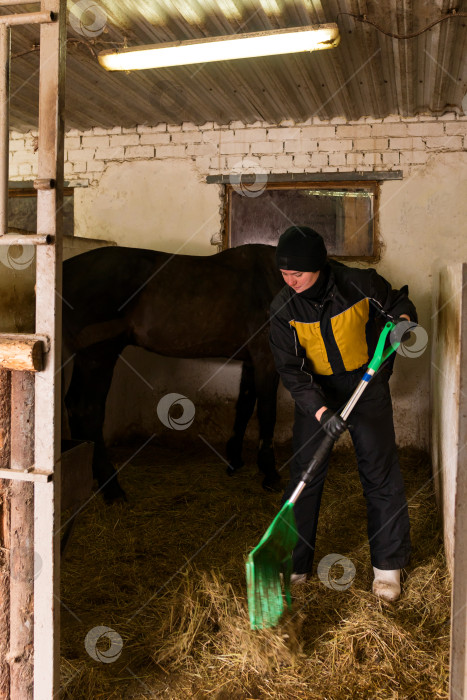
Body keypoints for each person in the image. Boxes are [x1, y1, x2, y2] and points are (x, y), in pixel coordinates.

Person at [269, 225, 417, 602]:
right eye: (284, 274)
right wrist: (320, 412)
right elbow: (290, 370)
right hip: (317, 393)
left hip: (365, 388)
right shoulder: (283, 308)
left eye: (297, 273)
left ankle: (387, 570)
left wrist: (402, 325)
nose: (290, 281)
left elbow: (400, 303)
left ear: (318, 266)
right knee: (306, 475)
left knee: (379, 472)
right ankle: (297, 567)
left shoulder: (359, 284)